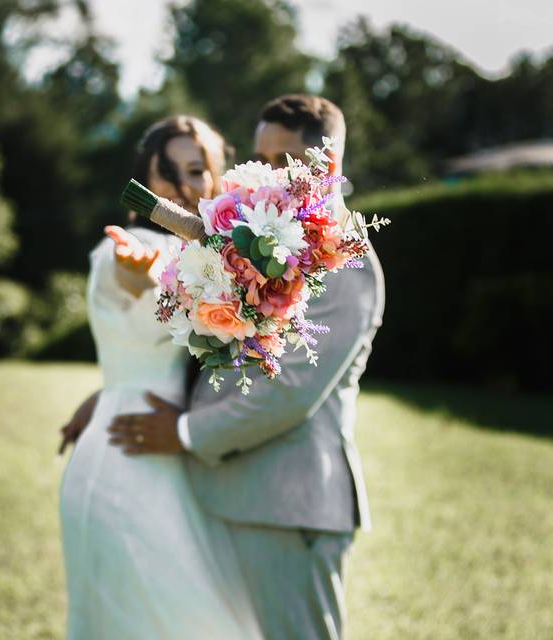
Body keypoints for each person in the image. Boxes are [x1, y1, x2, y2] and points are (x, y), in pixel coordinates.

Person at [63, 95, 385, 639]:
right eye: (260, 157)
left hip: (287, 504)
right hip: (221, 494)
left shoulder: (342, 258)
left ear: (326, 166)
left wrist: (183, 430)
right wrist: (116, 393)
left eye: (281, 160)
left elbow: (289, 391)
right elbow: (216, 347)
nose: (267, 174)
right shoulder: (257, 243)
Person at [58, 115, 262, 639]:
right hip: (130, 461)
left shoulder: (230, 257)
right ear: (145, 187)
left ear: (220, 176)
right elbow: (132, 274)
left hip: (184, 458)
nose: (185, 187)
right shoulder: (124, 247)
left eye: (197, 169)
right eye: (166, 175)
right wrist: (140, 272)